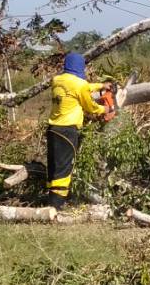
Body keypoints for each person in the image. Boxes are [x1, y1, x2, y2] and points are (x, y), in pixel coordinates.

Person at [45, 52, 107, 206]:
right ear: (81, 67)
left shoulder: (56, 80)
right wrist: (104, 109)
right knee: (64, 169)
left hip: (53, 128)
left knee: (53, 167)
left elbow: (80, 88)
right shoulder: (80, 85)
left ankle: (49, 201)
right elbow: (90, 106)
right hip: (67, 131)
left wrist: (101, 86)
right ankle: (55, 207)